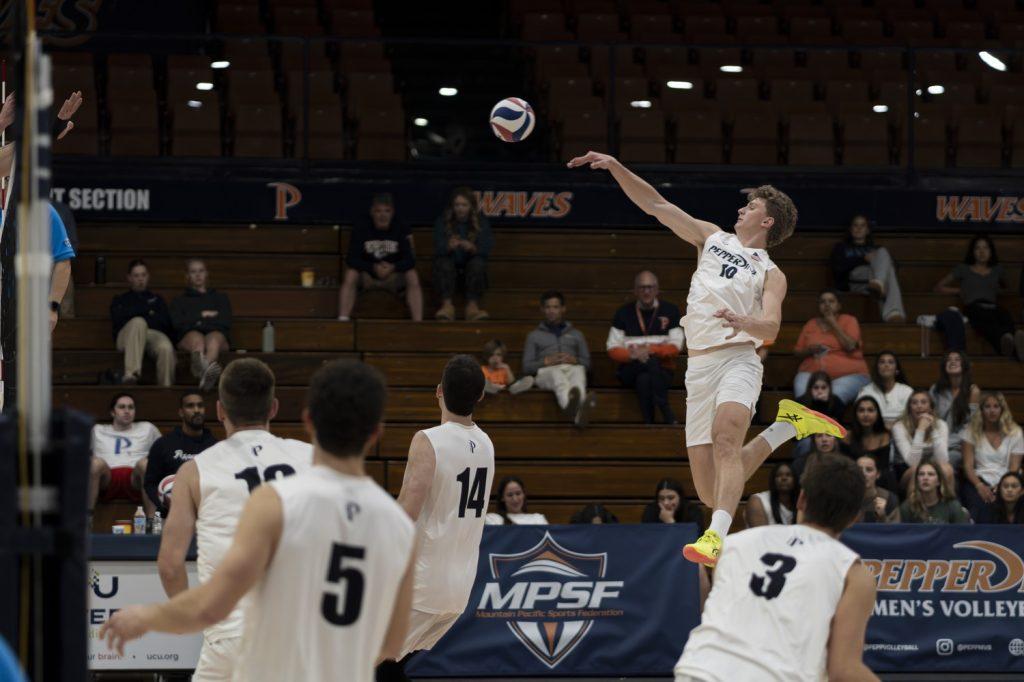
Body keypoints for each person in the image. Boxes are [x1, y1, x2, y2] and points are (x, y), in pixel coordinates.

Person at [570, 150, 844, 566]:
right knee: (711, 491)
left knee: (727, 438)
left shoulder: (771, 273)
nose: (741, 208)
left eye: (750, 206)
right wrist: (615, 166)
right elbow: (656, 205)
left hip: (738, 358)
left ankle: (715, 535)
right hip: (698, 368)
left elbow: (770, 329)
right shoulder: (712, 238)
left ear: (767, 221)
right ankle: (784, 428)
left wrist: (742, 320)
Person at [100, 360, 416, 682]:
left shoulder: (220, 478)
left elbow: (173, 568)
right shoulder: (392, 520)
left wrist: (163, 618)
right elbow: (390, 643)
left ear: (220, 410)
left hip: (243, 634)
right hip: (316, 645)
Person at [155, 358, 313, 680]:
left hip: (230, 633)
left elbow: (170, 566)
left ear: (220, 411)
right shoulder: (311, 458)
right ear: (273, 408)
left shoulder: (195, 469)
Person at [674, 455, 879, 682]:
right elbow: (844, 671)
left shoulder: (735, 543)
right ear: (853, 518)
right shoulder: (853, 571)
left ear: (801, 499)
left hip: (697, 670)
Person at [382, 354, 494, 679]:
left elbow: (406, 512)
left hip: (423, 581)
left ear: (438, 391)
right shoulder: (486, 444)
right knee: (388, 664)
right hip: (459, 588)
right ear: (481, 396)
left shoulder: (428, 439)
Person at [606, 271, 683, 424]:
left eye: (650, 287)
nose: (646, 291)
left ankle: (649, 424)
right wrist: (633, 355)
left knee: (645, 378)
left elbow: (676, 346)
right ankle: (664, 407)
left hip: (663, 371)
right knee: (649, 365)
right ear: (634, 290)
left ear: (657, 289)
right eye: (642, 288)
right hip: (630, 369)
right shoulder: (623, 313)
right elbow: (612, 348)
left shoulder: (670, 311)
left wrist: (651, 350)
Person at [934, 235, 1024, 360]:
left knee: (1005, 315)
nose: (982, 252)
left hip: (993, 306)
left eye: (985, 248)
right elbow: (939, 287)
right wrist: (959, 290)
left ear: (991, 251)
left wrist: (997, 290)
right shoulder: (963, 269)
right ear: (973, 251)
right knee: (985, 319)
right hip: (974, 306)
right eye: (978, 248)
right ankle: (1007, 345)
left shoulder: (998, 270)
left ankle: (1015, 342)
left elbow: (1008, 288)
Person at [338, 193, 423, 322]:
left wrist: (393, 267)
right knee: (350, 273)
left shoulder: (401, 226)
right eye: (378, 211)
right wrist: (372, 267)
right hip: (368, 276)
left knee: (412, 274)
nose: (383, 215)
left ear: (392, 212)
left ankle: (418, 323)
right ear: (372, 212)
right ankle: (343, 319)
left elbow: (410, 260)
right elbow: (351, 259)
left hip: (394, 276)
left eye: (387, 211)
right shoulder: (361, 226)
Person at [522, 291, 596, 426]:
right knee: (557, 374)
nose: (552, 311)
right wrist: (545, 361)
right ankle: (577, 412)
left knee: (579, 371)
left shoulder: (577, 334)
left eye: (555, 307)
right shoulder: (533, 336)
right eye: (548, 307)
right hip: (545, 373)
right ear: (542, 310)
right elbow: (526, 367)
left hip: (571, 368)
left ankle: (577, 414)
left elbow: (588, 364)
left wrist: (575, 361)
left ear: (563, 309)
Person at [143, 391, 218, 518]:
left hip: (206, 515)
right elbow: (150, 483)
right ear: (181, 412)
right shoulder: (163, 445)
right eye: (190, 406)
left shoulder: (215, 446)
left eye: (200, 406)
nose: (196, 410)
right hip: (171, 515)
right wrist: (164, 503)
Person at [89, 393, 161, 521]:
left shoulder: (147, 428)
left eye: (131, 407)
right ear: (112, 412)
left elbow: (163, 452)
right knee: (94, 464)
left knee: (146, 464)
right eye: (122, 407)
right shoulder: (97, 430)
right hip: (106, 478)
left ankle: (152, 522)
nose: (127, 411)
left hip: (136, 478)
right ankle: (87, 520)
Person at [792, 289, 871, 404]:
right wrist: (810, 350)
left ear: (839, 305)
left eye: (831, 301)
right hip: (812, 373)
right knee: (803, 395)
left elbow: (850, 346)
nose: (827, 304)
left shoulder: (849, 320)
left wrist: (832, 323)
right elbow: (797, 351)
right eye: (823, 302)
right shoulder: (811, 324)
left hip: (849, 374)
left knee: (832, 399)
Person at [110, 259, 176, 386]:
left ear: (148, 276)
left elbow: (164, 323)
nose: (140, 279)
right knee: (138, 322)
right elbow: (119, 321)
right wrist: (148, 313)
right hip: (126, 337)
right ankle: (131, 374)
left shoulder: (157, 299)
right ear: (129, 278)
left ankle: (166, 388)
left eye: (143, 275)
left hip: (151, 335)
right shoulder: (120, 299)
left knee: (165, 347)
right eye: (136, 275)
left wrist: (135, 312)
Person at [170, 258, 233, 391]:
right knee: (197, 340)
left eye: (201, 271)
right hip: (189, 338)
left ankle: (202, 374)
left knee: (213, 340)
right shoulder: (180, 300)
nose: (198, 275)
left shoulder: (220, 298)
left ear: (206, 273)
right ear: (187, 276)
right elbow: (178, 324)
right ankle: (207, 377)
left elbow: (225, 322)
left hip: (217, 337)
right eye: (193, 272)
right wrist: (204, 315)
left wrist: (195, 321)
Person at [829, 214, 906, 323]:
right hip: (856, 282)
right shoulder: (841, 248)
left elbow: (894, 266)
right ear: (851, 229)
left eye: (862, 225)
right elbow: (838, 268)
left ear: (868, 230)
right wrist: (863, 259)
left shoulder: (876, 249)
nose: (859, 228)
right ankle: (893, 312)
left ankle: (878, 284)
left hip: (871, 282)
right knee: (886, 274)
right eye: (856, 225)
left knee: (883, 252)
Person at [961, 392, 1024, 523]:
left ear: (1002, 409)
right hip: (978, 480)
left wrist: (1000, 485)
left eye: (996, 406)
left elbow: (1014, 467)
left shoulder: (1015, 432)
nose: (992, 411)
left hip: (1006, 479)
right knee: (980, 505)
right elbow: (968, 466)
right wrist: (979, 486)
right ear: (981, 410)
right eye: (987, 407)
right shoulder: (970, 431)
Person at [433, 187, 493, 321]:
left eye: (464, 205)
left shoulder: (481, 222)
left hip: (470, 265)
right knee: (443, 262)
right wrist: (448, 246)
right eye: (457, 205)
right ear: (452, 206)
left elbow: (486, 248)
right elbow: (437, 248)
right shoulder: (442, 221)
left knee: (478, 263)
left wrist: (473, 248)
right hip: (450, 265)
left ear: (471, 206)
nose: (460, 209)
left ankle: (472, 307)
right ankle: (447, 306)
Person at [929, 350, 980, 470]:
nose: (952, 361)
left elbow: (972, 425)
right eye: (949, 359)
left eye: (957, 359)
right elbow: (931, 419)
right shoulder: (935, 390)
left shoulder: (973, 391)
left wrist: (949, 443)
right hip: (936, 442)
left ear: (964, 365)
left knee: (943, 464)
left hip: (960, 445)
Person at [892, 390, 953, 490]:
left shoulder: (941, 425)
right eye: (914, 403)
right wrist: (920, 430)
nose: (919, 406)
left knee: (948, 469)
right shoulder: (899, 427)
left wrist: (932, 429)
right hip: (906, 470)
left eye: (924, 402)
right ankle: (914, 505)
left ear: (931, 407)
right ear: (909, 408)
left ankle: (947, 503)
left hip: (932, 468)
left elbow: (943, 460)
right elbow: (912, 463)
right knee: (917, 470)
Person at [842, 396, 897, 492]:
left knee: (888, 475)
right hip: (852, 480)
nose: (866, 414)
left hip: (877, 480)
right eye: (861, 410)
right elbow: (845, 465)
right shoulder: (848, 436)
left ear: (877, 414)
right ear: (855, 414)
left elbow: (883, 466)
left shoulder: (884, 436)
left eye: (870, 410)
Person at [792, 372, 846, 461]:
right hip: (807, 438)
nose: (820, 391)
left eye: (823, 387)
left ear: (829, 388)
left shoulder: (836, 402)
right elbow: (796, 433)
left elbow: (837, 427)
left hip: (829, 436)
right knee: (806, 443)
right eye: (816, 387)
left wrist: (823, 405)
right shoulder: (800, 403)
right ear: (810, 389)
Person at [898, 460, 970, 524]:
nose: (925, 478)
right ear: (917, 481)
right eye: (921, 474)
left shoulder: (952, 505)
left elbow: (962, 534)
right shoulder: (907, 507)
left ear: (938, 481)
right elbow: (903, 535)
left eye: (930, 474)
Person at [856, 351, 913, 427]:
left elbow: (911, 417)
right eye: (882, 362)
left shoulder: (906, 391)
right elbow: (859, 415)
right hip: (873, 432)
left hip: (902, 431)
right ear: (877, 368)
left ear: (897, 370)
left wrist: (894, 426)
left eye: (890, 362)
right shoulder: (866, 391)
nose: (886, 365)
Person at [744, 462, 799, 527]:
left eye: (788, 475)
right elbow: (760, 535)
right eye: (779, 475)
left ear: (796, 479)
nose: (784, 478)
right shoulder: (758, 500)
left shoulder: (802, 502)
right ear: (773, 480)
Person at [641, 478, 706, 528]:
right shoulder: (651, 510)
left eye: (671, 498)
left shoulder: (693, 511)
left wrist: (670, 522)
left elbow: (694, 539)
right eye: (661, 498)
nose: (665, 503)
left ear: (680, 497)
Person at [857, 455, 900, 523]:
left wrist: (882, 517)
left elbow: (896, 531)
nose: (863, 473)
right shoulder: (846, 498)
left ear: (878, 474)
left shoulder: (889, 499)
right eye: (859, 470)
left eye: (869, 470)